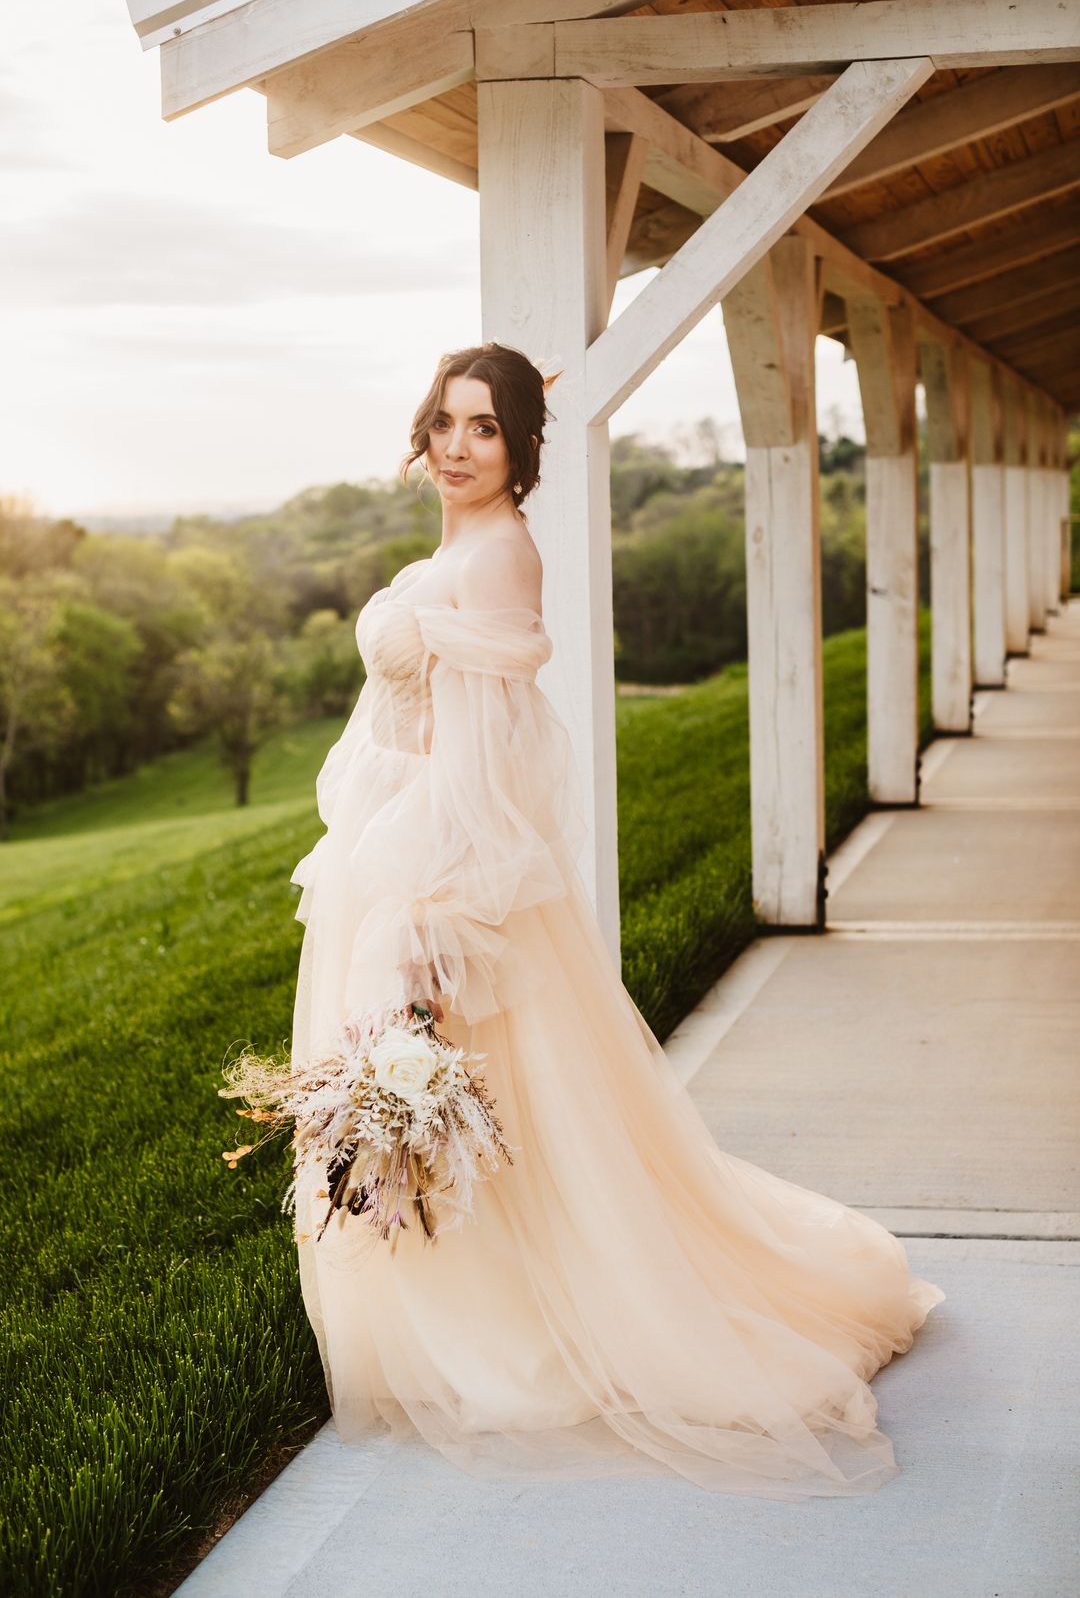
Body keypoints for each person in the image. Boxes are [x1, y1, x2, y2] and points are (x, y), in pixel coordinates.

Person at [287, 341, 945, 1499]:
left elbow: (487, 771)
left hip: (440, 881)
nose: (454, 447)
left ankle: (517, 1333)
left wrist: (429, 922)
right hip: (393, 860)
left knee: (491, 1122)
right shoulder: (460, 543)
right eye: (444, 422)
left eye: (483, 428)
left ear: (522, 445)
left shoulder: (502, 560)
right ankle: (456, 1319)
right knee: (459, 1128)